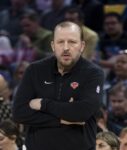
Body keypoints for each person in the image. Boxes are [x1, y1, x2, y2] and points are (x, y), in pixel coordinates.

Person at [12, 21, 104, 150]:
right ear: (53, 46)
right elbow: (19, 112)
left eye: (72, 42)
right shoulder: (35, 70)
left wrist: (43, 104)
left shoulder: (93, 73)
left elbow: (82, 112)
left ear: (82, 46)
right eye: (60, 42)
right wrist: (62, 118)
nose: (66, 47)